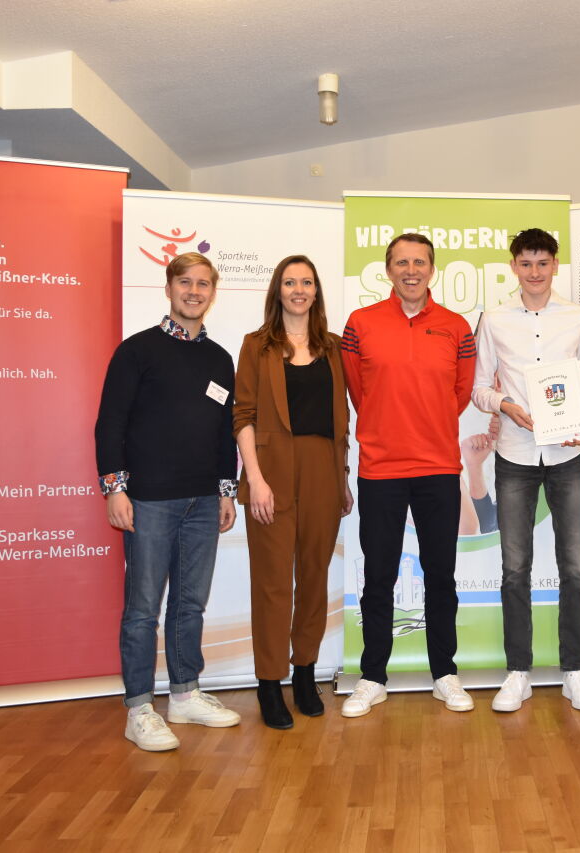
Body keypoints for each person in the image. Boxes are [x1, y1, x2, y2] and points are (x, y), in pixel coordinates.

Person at [94, 252, 241, 752]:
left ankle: (184, 694)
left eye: (203, 284)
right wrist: (115, 489)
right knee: (142, 609)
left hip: (203, 501)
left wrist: (226, 491)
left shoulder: (219, 359)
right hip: (149, 502)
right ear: (169, 288)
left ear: (212, 293)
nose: (194, 292)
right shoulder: (136, 351)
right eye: (185, 282)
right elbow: (110, 423)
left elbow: (223, 433)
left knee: (189, 604)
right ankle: (139, 708)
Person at [339, 232, 477, 717]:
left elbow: (460, 394)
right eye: (402, 262)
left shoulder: (456, 327)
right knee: (378, 577)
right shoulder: (361, 323)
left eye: (419, 262)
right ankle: (372, 677)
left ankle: (445, 673)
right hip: (381, 469)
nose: (411, 270)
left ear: (432, 269)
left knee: (441, 576)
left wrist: (427, 421)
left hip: (438, 467)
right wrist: (388, 424)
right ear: (389, 270)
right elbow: (358, 391)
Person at [472, 228, 580, 712]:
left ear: (555, 266)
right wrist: (505, 405)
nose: (534, 272)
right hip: (515, 455)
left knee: (574, 567)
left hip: (567, 456)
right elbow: (479, 388)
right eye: (525, 263)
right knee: (514, 569)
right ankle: (518, 672)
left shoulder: (579, 318)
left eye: (542, 263)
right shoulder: (494, 320)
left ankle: (575, 670)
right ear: (514, 267)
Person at [234, 255, 352, 730]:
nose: (298, 290)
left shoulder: (333, 347)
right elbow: (243, 415)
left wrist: (342, 478)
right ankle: (269, 682)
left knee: (314, 578)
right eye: (289, 282)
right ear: (277, 291)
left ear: (316, 291)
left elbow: (341, 418)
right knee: (273, 583)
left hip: (323, 469)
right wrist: (256, 479)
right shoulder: (256, 345)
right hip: (272, 472)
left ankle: (305, 673)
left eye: (306, 282)